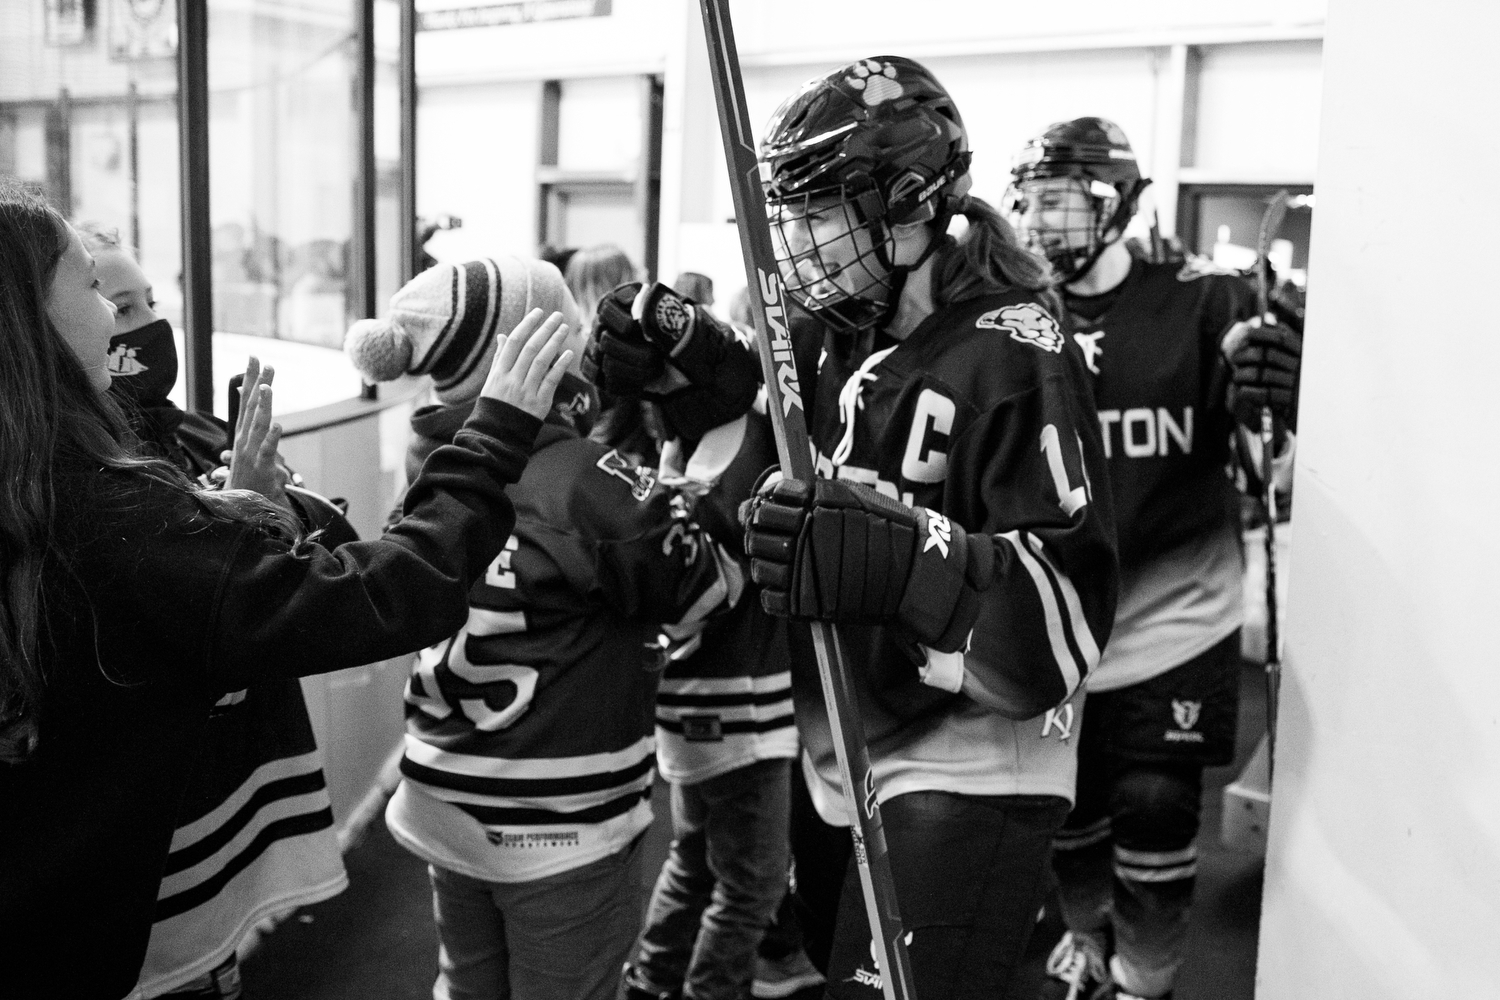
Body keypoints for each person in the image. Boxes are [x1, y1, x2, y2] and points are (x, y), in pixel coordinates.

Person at [598, 57, 1121, 999]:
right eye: (787, 215)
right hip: (841, 741)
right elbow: (777, 442)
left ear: (909, 204)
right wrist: (683, 365)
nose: (794, 241)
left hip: (971, 765)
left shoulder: (1015, 353)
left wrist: (912, 564)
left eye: (817, 212)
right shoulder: (825, 331)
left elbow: (1069, 617)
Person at [0, 180, 573, 1000]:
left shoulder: (48, 489)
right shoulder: (105, 509)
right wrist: (497, 429)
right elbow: (390, 594)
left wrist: (233, 526)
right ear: (34, 322)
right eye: (94, 287)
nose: (121, 320)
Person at [345, 257, 748, 1000]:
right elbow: (704, 589)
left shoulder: (430, 461)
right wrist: (695, 485)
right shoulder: (583, 475)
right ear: (538, 352)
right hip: (557, 816)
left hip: (444, 789)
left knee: (468, 986)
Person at [1005, 117, 1301, 1000]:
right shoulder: (1010, 317)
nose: (1045, 219)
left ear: (1121, 203)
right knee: (1069, 808)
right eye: (1034, 200)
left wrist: (1281, 400)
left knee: (1156, 806)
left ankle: (1148, 974)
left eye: (1066, 199)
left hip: (1177, 619)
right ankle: (1088, 932)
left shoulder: (1204, 303)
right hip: (1057, 622)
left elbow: (1265, 465)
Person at [77, 223, 352, 1000]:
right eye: (117, 305)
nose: (141, 326)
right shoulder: (79, 478)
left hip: (229, 822)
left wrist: (270, 510)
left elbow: (330, 555)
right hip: (147, 852)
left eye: (148, 303)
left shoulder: (195, 431)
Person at [591, 284, 803, 1000]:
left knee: (695, 860)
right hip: (735, 698)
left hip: (694, 695)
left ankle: (650, 985)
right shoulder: (722, 454)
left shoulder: (677, 441)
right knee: (753, 883)